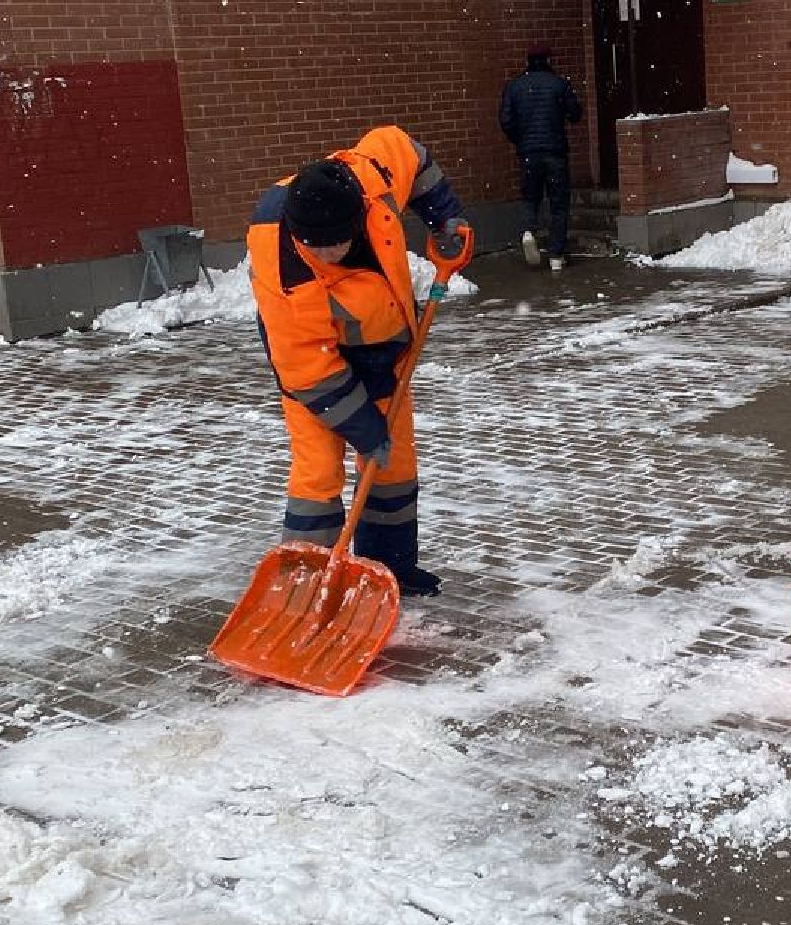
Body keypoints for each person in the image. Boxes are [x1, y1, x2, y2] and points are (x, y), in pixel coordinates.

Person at [247, 125, 471, 597]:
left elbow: (410, 151)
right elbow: (304, 363)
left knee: (393, 466)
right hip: (315, 367)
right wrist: (363, 427)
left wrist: (443, 217)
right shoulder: (279, 252)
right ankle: (306, 587)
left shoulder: (371, 176)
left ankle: (387, 569)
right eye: (315, 245)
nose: (325, 253)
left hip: (384, 351)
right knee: (318, 471)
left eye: (334, 244)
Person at [498, 40, 583, 272]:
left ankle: (528, 231)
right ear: (549, 60)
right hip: (555, 152)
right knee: (559, 204)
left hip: (528, 153)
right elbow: (575, 114)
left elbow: (506, 121)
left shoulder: (514, 86)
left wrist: (521, 140)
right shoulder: (559, 84)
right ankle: (556, 255)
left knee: (530, 198)